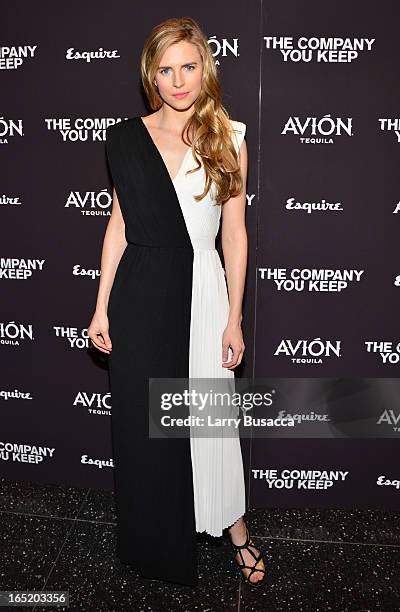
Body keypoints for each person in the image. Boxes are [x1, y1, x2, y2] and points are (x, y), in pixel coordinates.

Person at [87, 16, 265, 587]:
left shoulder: (228, 135)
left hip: (204, 291)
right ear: (151, 76)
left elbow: (233, 234)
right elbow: (118, 226)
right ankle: (153, 540)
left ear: (203, 68)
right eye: (166, 70)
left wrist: (235, 316)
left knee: (210, 422)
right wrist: (100, 306)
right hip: (141, 293)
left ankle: (235, 530)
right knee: (147, 427)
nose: (178, 80)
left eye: (188, 66)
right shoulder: (126, 139)